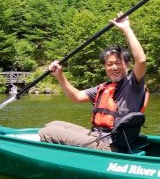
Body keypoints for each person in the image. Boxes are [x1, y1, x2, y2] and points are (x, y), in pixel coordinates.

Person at [38, 14, 147, 152]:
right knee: (53, 124)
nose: (114, 67)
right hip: (98, 136)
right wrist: (59, 76)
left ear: (127, 65)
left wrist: (126, 28)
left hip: (111, 146)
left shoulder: (133, 84)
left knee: (47, 132)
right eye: (109, 64)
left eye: (118, 63)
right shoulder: (104, 88)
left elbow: (141, 60)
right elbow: (76, 96)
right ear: (105, 67)